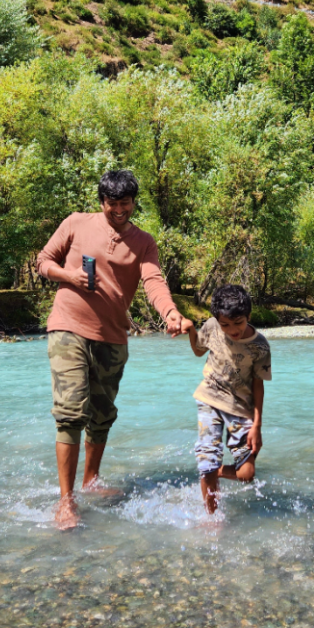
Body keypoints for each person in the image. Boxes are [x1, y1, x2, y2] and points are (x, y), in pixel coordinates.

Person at [35, 170, 189, 529]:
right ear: (101, 201)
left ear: (134, 202)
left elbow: (153, 281)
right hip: (68, 327)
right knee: (72, 412)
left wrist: (170, 312)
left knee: (102, 414)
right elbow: (43, 261)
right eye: (111, 204)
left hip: (113, 337)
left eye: (125, 203)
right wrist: (69, 277)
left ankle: (91, 480)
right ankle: (66, 501)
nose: (119, 210)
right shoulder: (75, 223)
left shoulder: (144, 242)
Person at [182, 284, 272, 514]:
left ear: (248, 316)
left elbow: (258, 385)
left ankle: (215, 471)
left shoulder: (259, 346)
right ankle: (211, 518)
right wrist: (191, 329)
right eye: (226, 325)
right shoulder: (212, 326)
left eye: (238, 323)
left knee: (246, 474)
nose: (232, 330)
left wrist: (257, 426)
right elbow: (198, 350)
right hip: (209, 398)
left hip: (240, 408)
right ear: (217, 320)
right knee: (207, 460)